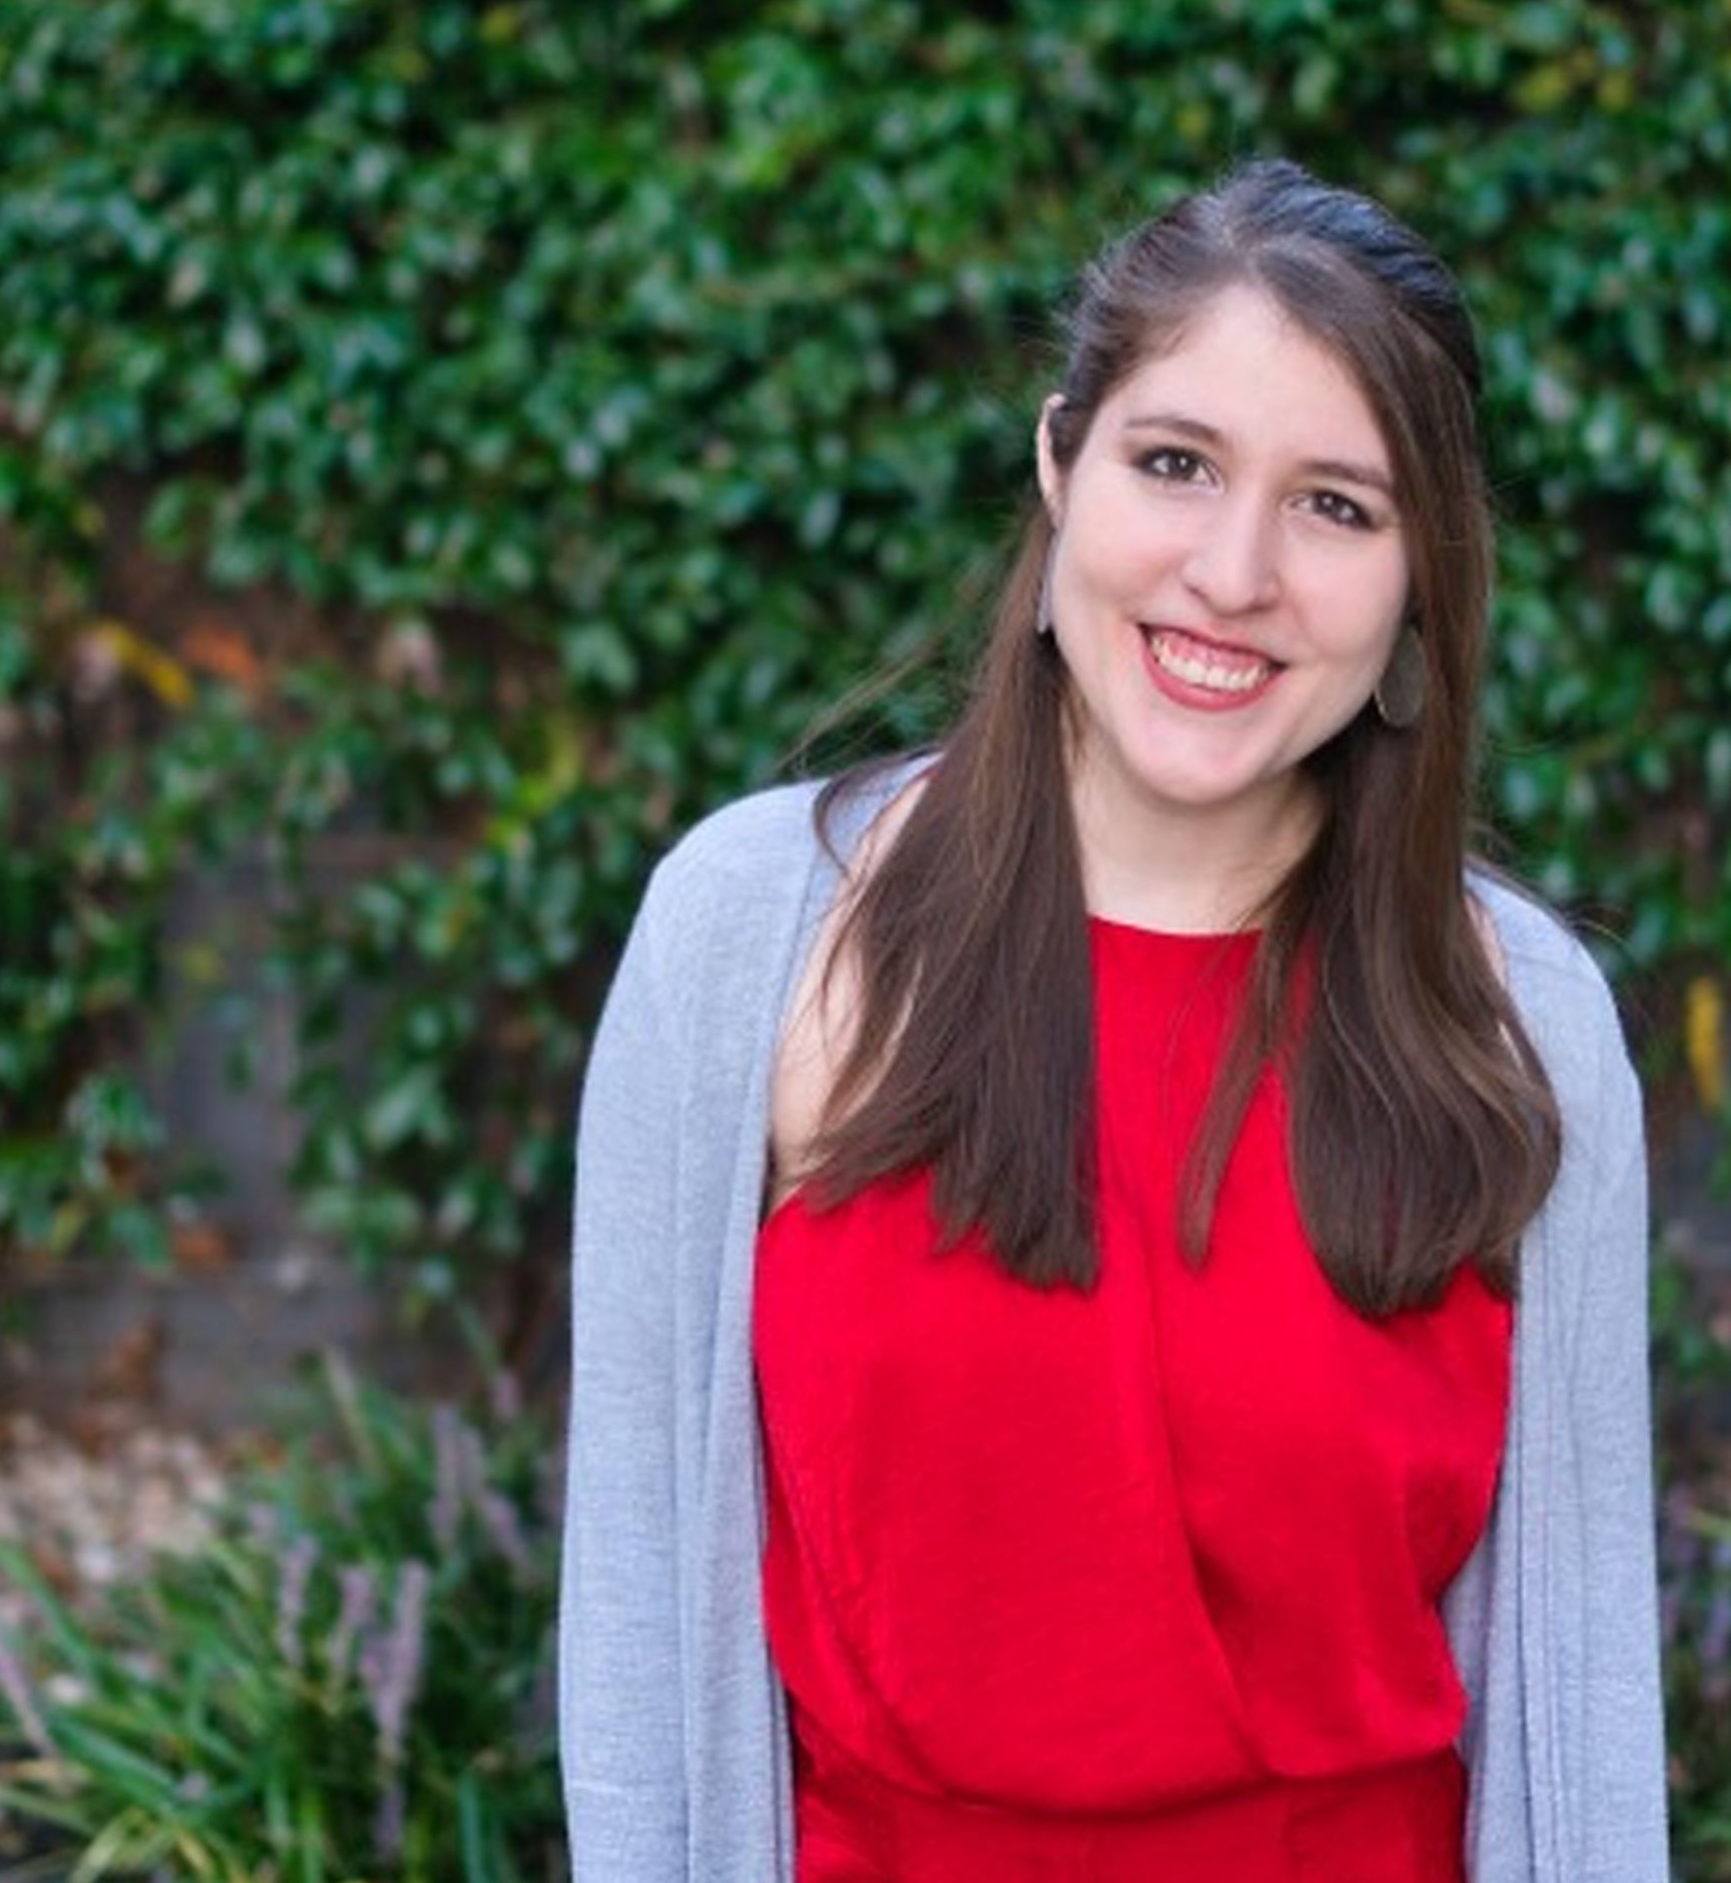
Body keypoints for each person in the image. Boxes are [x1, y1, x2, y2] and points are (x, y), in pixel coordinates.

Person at [560, 159, 1668, 1882]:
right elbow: (635, 1594)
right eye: (1175, 464)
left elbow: (1583, 1689)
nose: (1232, 573)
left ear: (1417, 587)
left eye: (1338, 507)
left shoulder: (1517, 1021)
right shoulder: (751, 934)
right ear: (1056, 462)